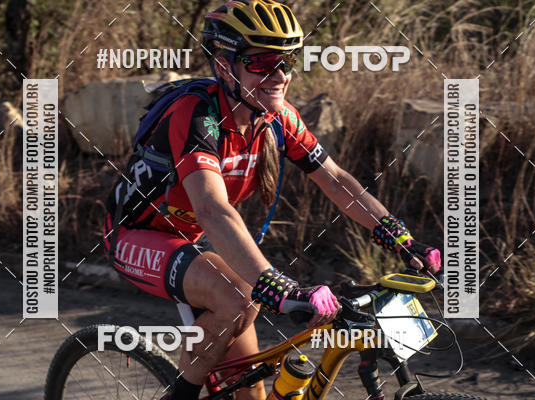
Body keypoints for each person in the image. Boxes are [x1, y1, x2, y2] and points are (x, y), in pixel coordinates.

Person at [103, 1, 441, 399]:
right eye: (262, 63)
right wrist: (275, 284)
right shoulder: (197, 115)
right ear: (224, 65)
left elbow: (335, 180)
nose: (279, 75)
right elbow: (212, 209)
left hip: (194, 238)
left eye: (286, 62)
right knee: (238, 296)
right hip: (136, 234)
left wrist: (399, 237)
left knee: (251, 388)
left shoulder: (277, 118)